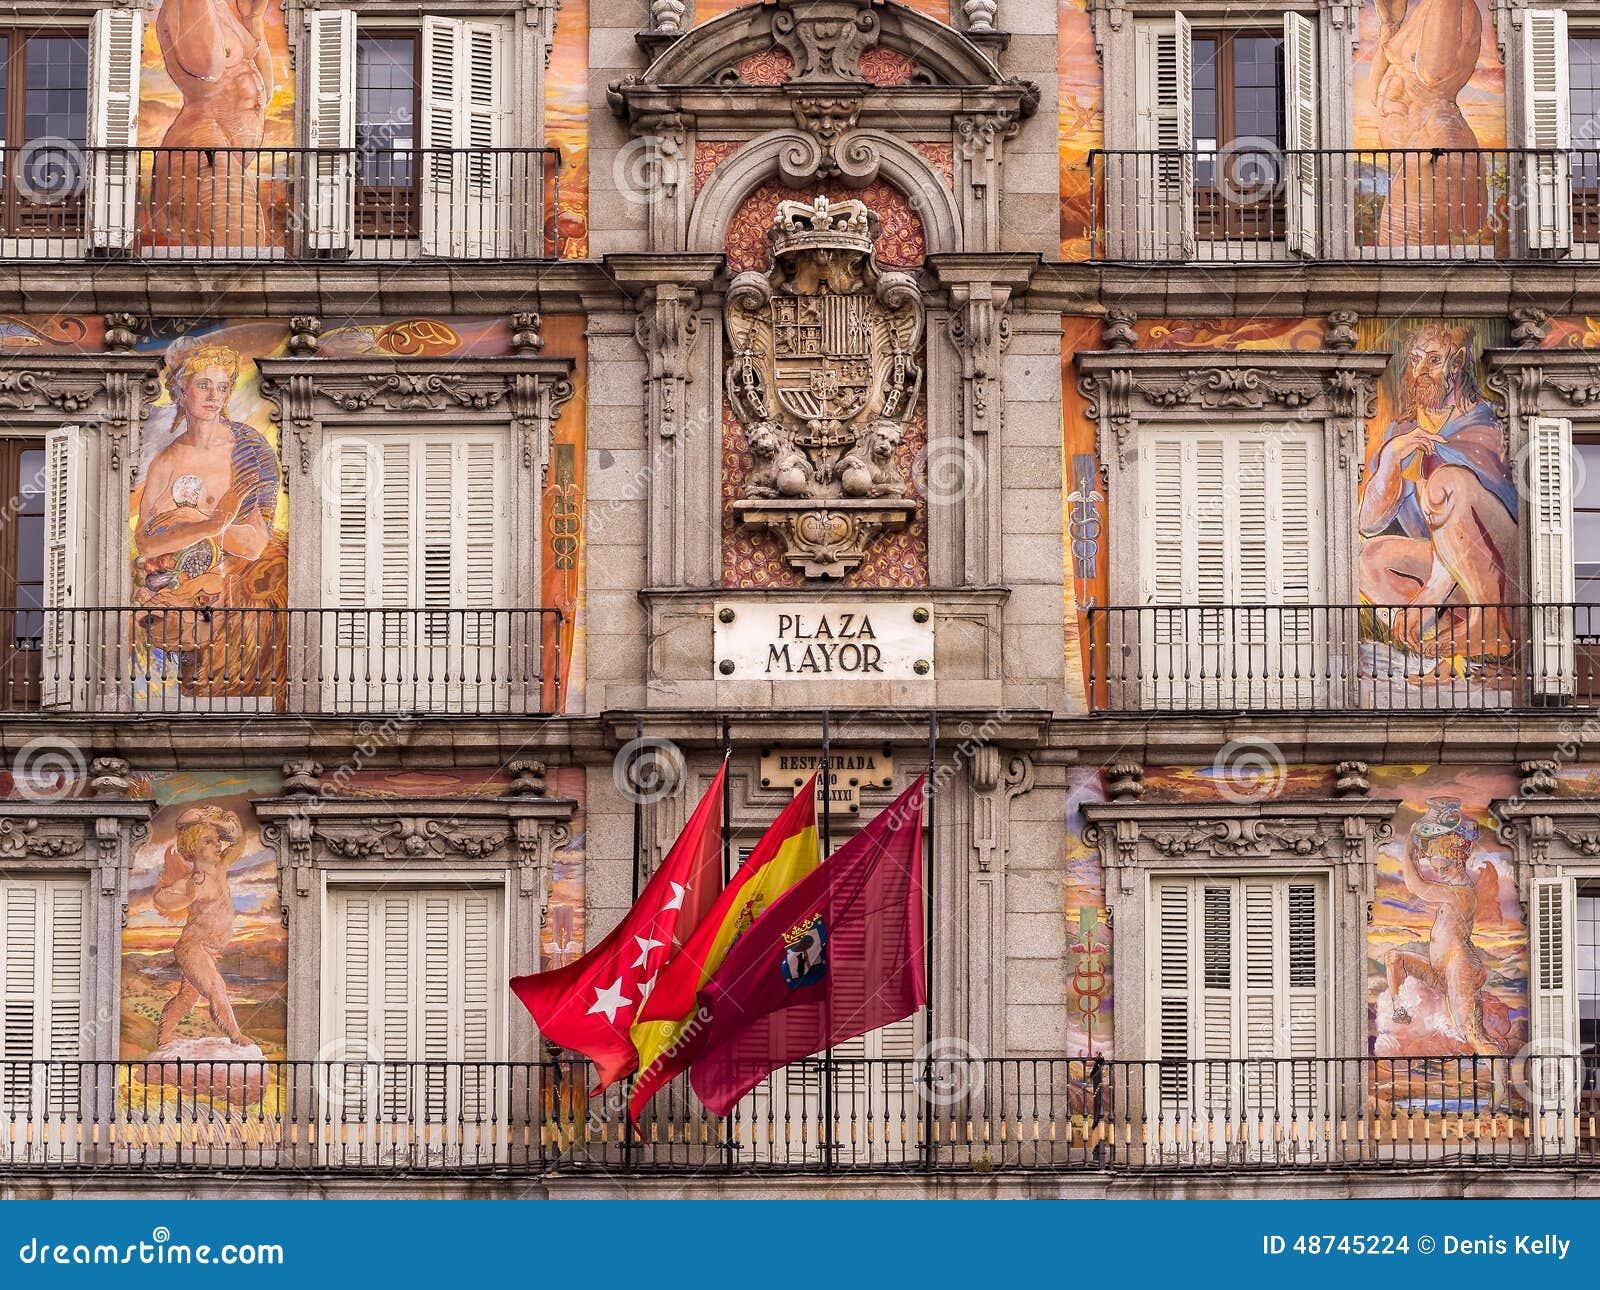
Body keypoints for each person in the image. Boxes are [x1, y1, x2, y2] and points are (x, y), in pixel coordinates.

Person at [1358, 324, 1517, 671]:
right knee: (1370, 560)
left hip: (1500, 571)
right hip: (1447, 574)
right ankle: (1447, 648)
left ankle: (1490, 624)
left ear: (1457, 364)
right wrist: (1390, 459)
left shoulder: (1485, 424)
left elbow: (1479, 521)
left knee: (1447, 481)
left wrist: (1430, 592)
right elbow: (1369, 522)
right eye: (1415, 361)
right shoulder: (1403, 429)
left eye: (1434, 360)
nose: (1421, 372)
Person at [133, 341, 286, 696]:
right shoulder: (165, 461)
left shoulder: (250, 450)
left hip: (226, 601)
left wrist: (183, 524)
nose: (214, 395)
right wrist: (211, 524)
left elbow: (253, 545)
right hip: (170, 599)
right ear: (181, 391)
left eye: (222, 387)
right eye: (204, 385)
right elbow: (145, 542)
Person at [148, 0, 275, 246]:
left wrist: (254, 20)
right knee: (244, 249)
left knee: (243, 257)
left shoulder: (225, 8)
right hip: (201, 153)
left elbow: (264, 91)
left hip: (223, 154)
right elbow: (209, 67)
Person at [1369, 0, 1489, 246]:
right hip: (1422, 154)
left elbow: (1433, 73)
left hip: (1435, 150)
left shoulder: (1449, 4)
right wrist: (1390, 25)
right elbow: (1376, 96)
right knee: (1397, 256)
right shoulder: (1422, 12)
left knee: (1402, 257)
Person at [1383, 820, 1502, 1054]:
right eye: (1437, 871)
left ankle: (1500, 1088)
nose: (1440, 875)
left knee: (1471, 1032)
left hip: (1457, 968)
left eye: (1444, 869)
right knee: (1394, 958)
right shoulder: (1452, 889)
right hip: (1441, 970)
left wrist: (1408, 846)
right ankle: (1399, 1008)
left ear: (1458, 861)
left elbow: (1416, 886)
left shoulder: (1462, 893)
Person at [153, 805, 249, 1048]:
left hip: (209, 951)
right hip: (192, 948)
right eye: (208, 842)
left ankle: (164, 1038)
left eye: (217, 841)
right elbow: (161, 898)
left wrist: (216, 822)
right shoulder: (190, 882)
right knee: (216, 987)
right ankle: (235, 1036)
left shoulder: (221, 868)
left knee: (186, 999)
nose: (218, 845)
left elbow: (238, 841)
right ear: (192, 849)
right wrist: (187, 896)